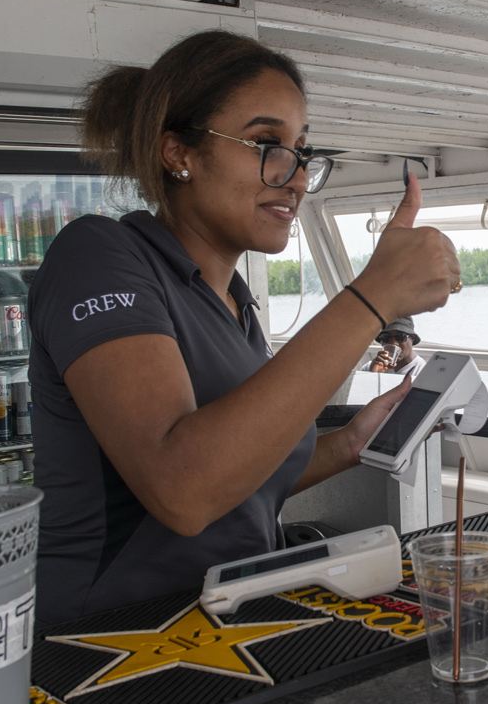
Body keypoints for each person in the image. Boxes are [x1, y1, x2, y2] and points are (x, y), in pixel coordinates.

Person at [27, 30, 461, 625]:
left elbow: (245, 474)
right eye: (266, 144)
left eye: (303, 152)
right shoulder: (97, 255)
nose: (297, 176)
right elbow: (184, 490)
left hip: (228, 623)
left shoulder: (233, 301)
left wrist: (349, 445)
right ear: (177, 152)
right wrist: (372, 297)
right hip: (111, 646)